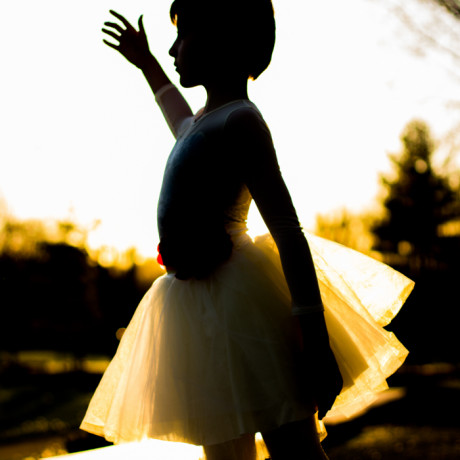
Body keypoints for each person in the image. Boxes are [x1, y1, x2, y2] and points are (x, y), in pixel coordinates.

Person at [81, 2, 414, 459]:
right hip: (198, 314)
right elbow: (179, 119)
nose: (174, 48)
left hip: (243, 307)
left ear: (222, 40)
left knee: (291, 444)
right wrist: (148, 65)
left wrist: (313, 338)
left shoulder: (241, 121)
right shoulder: (198, 125)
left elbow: (287, 231)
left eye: (184, 37)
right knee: (220, 446)